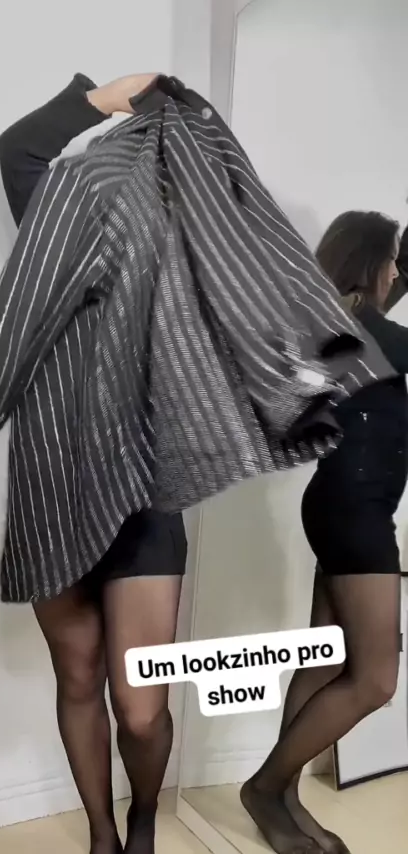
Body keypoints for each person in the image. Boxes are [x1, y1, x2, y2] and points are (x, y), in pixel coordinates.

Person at [0, 71, 188, 854]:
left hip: (144, 503)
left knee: (140, 708)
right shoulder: (62, 233)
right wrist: (102, 96)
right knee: (77, 677)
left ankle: (143, 816)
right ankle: (104, 836)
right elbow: (20, 149)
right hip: (52, 497)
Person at [240, 210, 406, 854]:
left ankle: (283, 798)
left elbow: (384, 305)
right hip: (356, 512)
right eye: (391, 262)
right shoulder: (360, 330)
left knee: (326, 656)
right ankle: (265, 787)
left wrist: (397, 264)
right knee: (375, 679)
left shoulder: (338, 323)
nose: (395, 272)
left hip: (344, 504)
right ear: (374, 266)